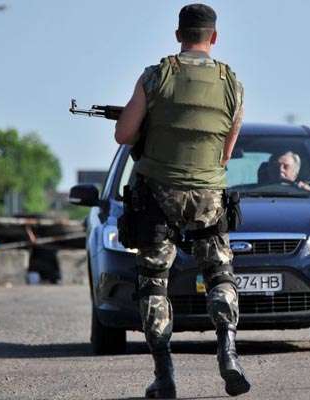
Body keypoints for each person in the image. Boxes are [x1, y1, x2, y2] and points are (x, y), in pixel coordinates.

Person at [113, 3, 249, 399]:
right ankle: (229, 352)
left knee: (154, 284)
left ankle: (165, 374)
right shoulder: (232, 84)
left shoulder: (157, 76)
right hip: (209, 196)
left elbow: (124, 135)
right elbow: (226, 153)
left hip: (158, 195)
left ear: (178, 36)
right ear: (214, 37)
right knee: (220, 274)